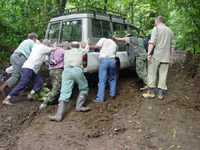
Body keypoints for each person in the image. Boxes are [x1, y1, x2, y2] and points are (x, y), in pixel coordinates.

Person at [2, 40, 58, 106]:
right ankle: (7, 99)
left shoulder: (38, 48)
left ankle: (31, 94)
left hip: (31, 70)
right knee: (22, 84)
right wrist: (54, 45)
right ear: (46, 45)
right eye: (48, 46)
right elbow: (54, 49)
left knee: (39, 81)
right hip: (28, 69)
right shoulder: (41, 47)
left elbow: (46, 55)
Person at [48, 39, 91, 122]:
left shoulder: (66, 52)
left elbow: (59, 50)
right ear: (78, 46)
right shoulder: (80, 51)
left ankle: (58, 115)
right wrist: (87, 43)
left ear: (70, 46)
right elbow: (87, 49)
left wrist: (56, 46)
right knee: (84, 87)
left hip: (67, 71)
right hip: (77, 70)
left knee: (64, 92)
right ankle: (79, 106)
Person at [143, 16, 176, 100]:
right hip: (166, 56)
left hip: (156, 56)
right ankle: (160, 93)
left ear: (156, 21)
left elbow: (152, 42)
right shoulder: (170, 31)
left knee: (152, 73)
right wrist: (171, 57)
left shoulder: (156, 29)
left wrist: (149, 54)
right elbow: (172, 46)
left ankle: (151, 92)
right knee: (163, 74)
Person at [39, 42, 68, 109]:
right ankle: (45, 102)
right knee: (56, 88)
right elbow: (69, 55)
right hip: (58, 71)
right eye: (67, 47)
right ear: (64, 47)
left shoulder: (53, 51)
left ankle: (51, 101)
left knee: (54, 86)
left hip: (51, 71)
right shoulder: (62, 50)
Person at [90, 37, 118, 103]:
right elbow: (115, 53)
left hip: (104, 60)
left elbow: (96, 46)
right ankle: (112, 95)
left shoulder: (103, 39)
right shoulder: (115, 44)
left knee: (102, 80)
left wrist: (88, 46)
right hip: (112, 60)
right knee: (113, 78)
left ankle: (100, 99)